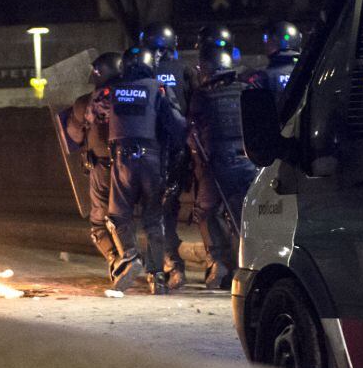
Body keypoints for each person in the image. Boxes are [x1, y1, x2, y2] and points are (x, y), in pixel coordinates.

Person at [101, 47, 186, 294]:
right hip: (152, 160)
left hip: (121, 160)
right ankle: (157, 277)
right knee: (153, 219)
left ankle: (129, 257)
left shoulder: (112, 89)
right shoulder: (157, 88)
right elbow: (177, 125)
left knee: (118, 215)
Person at [187, 43, 257, 289]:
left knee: (206, 212)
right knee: (242, 216)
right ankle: (246, 265)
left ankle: (219, 262)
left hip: (218, 163)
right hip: (249, 162)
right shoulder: (247, 89)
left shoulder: (202, 95)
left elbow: (192, 132)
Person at [140, 22, 192, 289]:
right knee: (167, 212)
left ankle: (165, 267)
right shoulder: (184, 70)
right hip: (179, 153)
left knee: (154, 214)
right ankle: (173, 266)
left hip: (152, 153)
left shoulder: (143, 73)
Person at [66, 52, 122, 282]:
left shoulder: (85, 103)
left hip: (102, 167)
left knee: (99, 222)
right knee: (134, 218)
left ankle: (117, 261)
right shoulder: (136, 95)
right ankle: (159, 269)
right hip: (135, 165)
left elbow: (75, 135)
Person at [246, 21, 302, 108]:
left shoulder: (264, 77)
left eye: (267, 38)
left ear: (277, 41)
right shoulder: (307, 69)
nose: (265, 42)